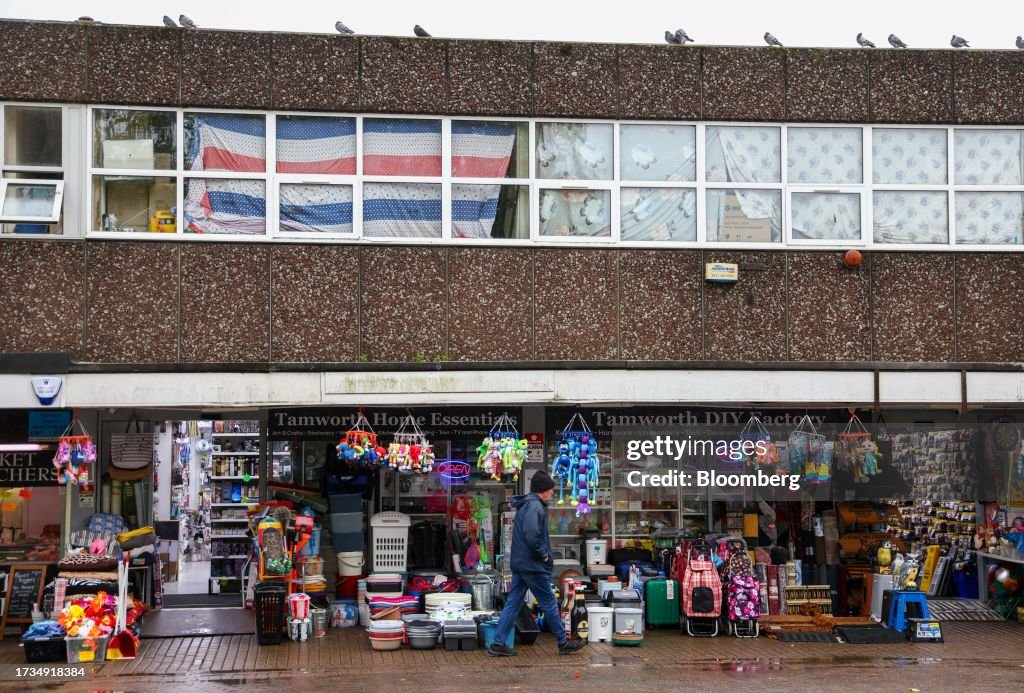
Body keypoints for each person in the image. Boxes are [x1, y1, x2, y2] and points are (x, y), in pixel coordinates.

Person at [487, 469, 586, 656]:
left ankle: (498, 643)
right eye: (550, 490)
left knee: (514, 603)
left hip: (522, 563)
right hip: (532, 565)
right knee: (548, 601)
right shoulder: (535, 507)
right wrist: (544, 555)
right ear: (542, 490)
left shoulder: (527, 505)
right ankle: (563, 642)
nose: (552, 493)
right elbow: (532, 535)